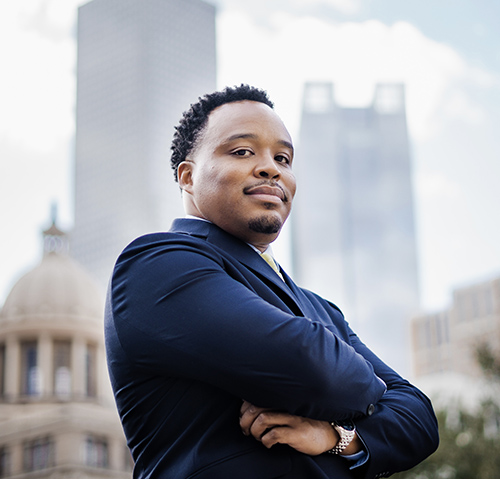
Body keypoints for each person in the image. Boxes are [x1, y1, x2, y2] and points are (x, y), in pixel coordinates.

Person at [104, 84, 439, 479]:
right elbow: (313, 368)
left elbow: (419, 419)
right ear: (188, 176)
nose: (271, 168)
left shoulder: (321, 308)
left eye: (283, 158)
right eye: (242, 151)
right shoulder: (157, 265)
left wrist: (337, 436)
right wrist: (358, 383)